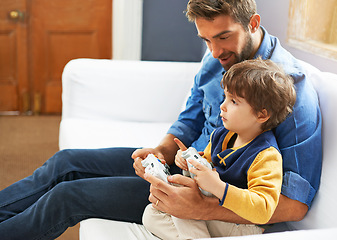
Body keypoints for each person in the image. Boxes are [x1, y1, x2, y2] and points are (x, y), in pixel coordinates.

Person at [0, 0, 321, 239]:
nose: (214, 51)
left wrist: (201, 207)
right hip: (183, 165)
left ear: (253, 23)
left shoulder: (289, 89)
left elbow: (294, 205)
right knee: (64, 162)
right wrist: (162, 151)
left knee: (66, 198)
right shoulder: (216, 59)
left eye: (223, 37)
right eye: (205, 40)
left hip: (208, 192)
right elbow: (190, 117)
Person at [142, 58, 297, 239]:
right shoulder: (221, 135)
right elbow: (207, 164)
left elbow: (263, 209)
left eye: (234, 102)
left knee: (182, 211)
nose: (222, 106)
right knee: (151, 214)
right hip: (211, 213)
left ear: (261, 115)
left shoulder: (266, 156)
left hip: (242, 225)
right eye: (225, 97)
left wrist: (218, 187)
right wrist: (189, 161)